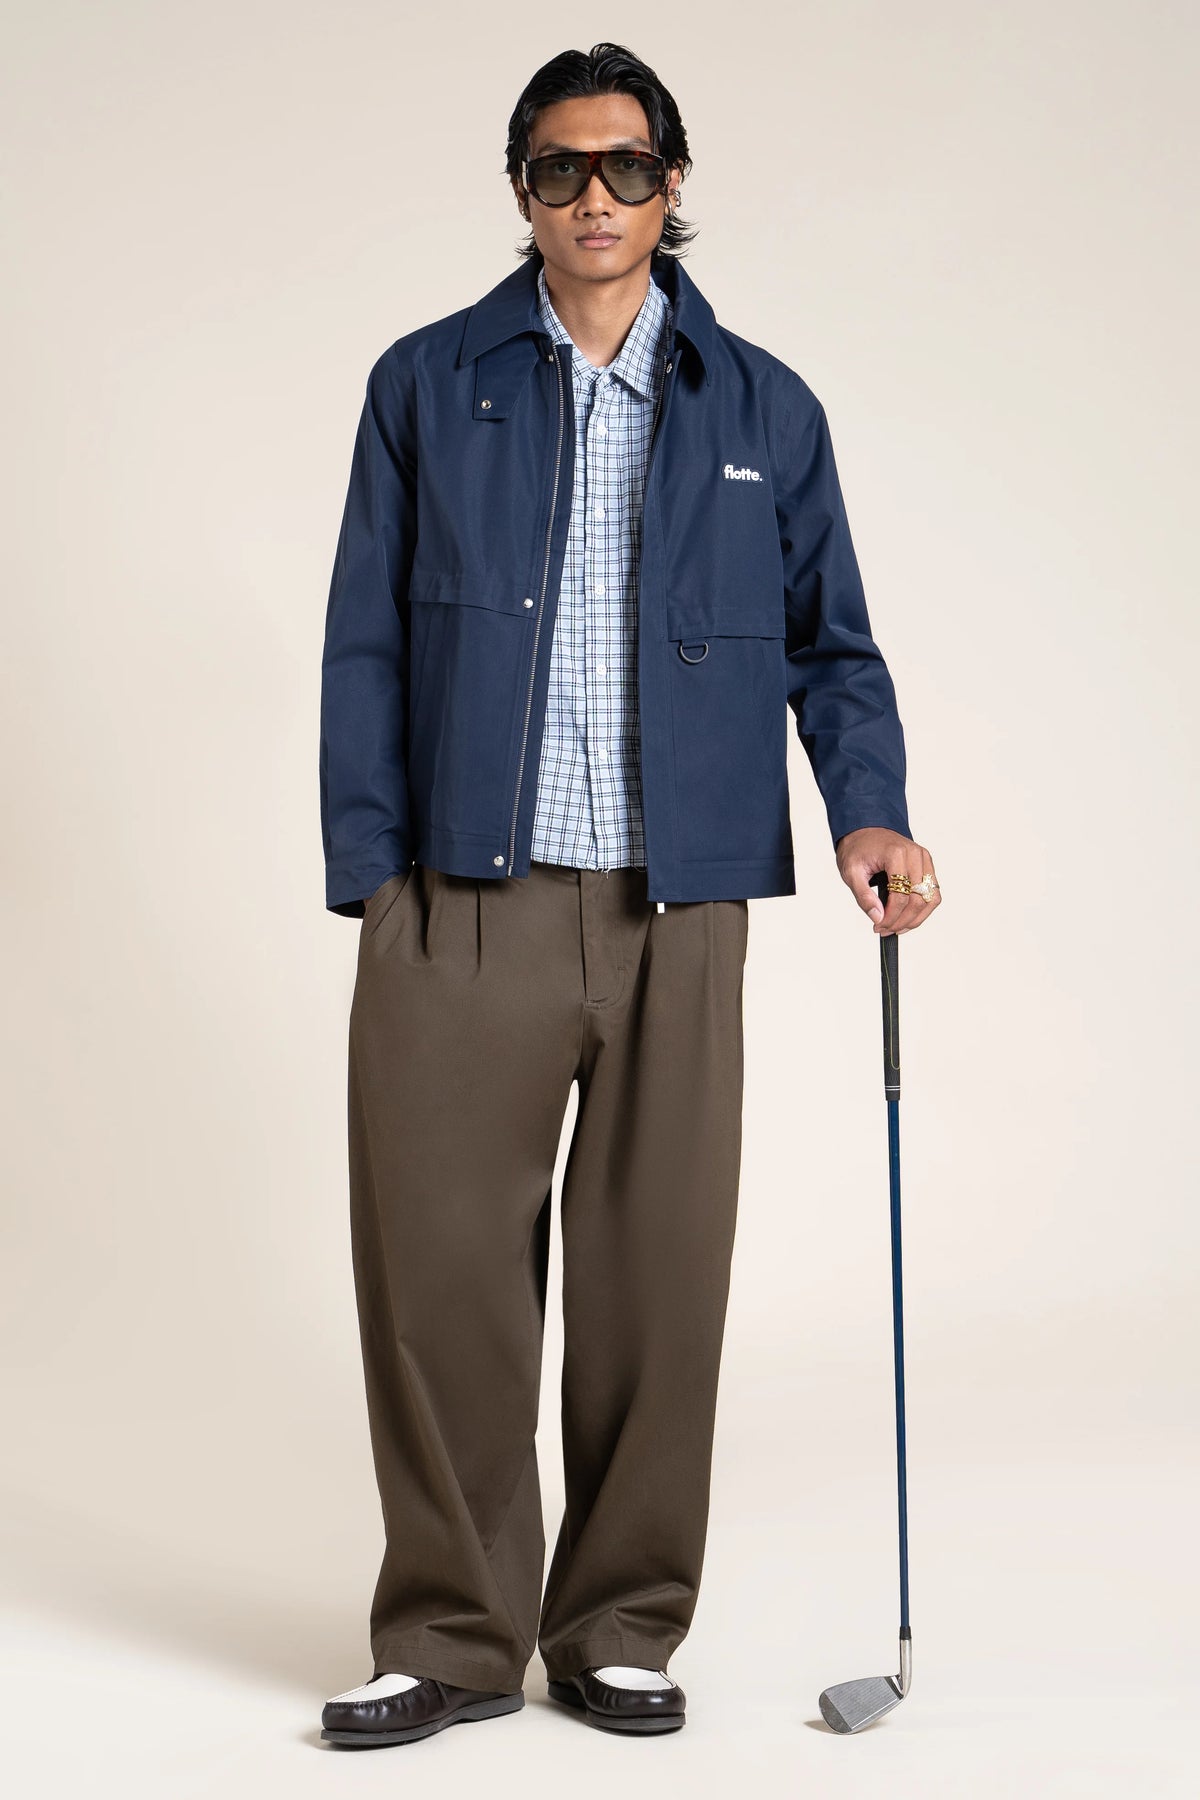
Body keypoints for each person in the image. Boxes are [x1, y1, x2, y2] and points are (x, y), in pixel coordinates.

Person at [317, 41, 941, 1749]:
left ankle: (618, 1626)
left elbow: (834, 648)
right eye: (560, 169)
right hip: (466, 893)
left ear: (674, 186)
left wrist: (871, 816)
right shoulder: (426, 384)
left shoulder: (763, 408)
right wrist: (376, 881)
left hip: (683, 904)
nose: (595, 198)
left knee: (657, 1280)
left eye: (628, 168)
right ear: (520, 188)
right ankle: (452, 1636)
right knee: (443, 1279)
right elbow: (364, 638)